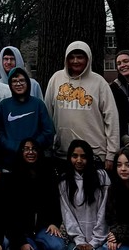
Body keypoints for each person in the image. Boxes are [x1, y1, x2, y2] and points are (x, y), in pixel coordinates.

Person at [45, 41, 120, 169]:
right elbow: (47, 115)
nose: (75, 61)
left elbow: (111, 118)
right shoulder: (56, 79)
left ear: (88, 59)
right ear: (66, 59)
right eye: (72, 57)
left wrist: (111, 154)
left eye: (80, 57)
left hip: (94, 154)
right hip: (63, 153)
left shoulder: (99, 82)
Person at [6, 139, 65, 250]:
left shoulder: (48, 173)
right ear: (21, 152)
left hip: (42, 229)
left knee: (58, 246)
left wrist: (54, 222)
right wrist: (20, 242)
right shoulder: (12, 177)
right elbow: (9, 216)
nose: (30, 152)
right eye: (26, 149)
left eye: (33, 149)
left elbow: (55, 202)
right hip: (23, 235)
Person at [58, 139, 110, 250]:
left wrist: (95, 241)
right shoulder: (64, 182)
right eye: (75, 156)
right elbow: (67, 214)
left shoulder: (101, 177)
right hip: (77, 240)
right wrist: (79, 240)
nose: (79, 160)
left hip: (99, 238)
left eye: (83, 157)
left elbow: (104, 211)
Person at [0, 67, 55, 168]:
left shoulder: (38, 104)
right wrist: (14, 147)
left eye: (21, 80)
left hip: (35, 161)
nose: (18, 84)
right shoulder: (3, 106)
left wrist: (31, 148)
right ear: (10, 85)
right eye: (14, 81)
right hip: (11, 161)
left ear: (28, 82)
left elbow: (48, 132)